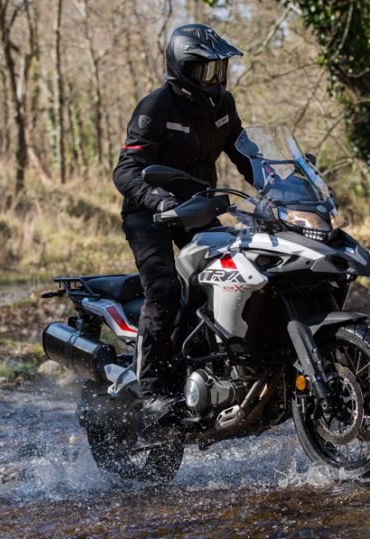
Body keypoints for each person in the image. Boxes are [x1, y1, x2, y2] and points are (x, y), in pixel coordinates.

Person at [112, 24, 253, 422]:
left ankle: (209, 369)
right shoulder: (155, 108)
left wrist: (282, 181)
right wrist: (157, 198)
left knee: (228, 277)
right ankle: (154, 390)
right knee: (164, 289)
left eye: (219, 69)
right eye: (205, 70)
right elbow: (126, 170)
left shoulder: (223, 106)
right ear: (181, 70)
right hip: (149, 212)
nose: (215, 79)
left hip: (198, 209)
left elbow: (247, 156)